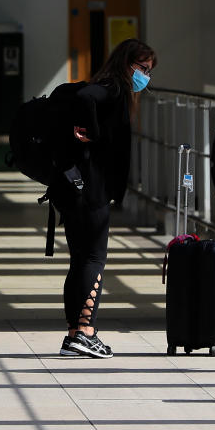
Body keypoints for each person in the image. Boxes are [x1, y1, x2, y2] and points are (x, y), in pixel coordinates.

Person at [49, 38, 157, 359]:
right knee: (94, 259)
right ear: (125, 64)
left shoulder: (107, 86)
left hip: (74, 186)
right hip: (91, 189)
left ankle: (74, 334)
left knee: (80, 259)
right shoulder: (113, 88)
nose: (145, 76)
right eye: (141, 68)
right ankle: (86, 331)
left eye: (149, 71)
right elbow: (85, 96)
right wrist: (94, 131)